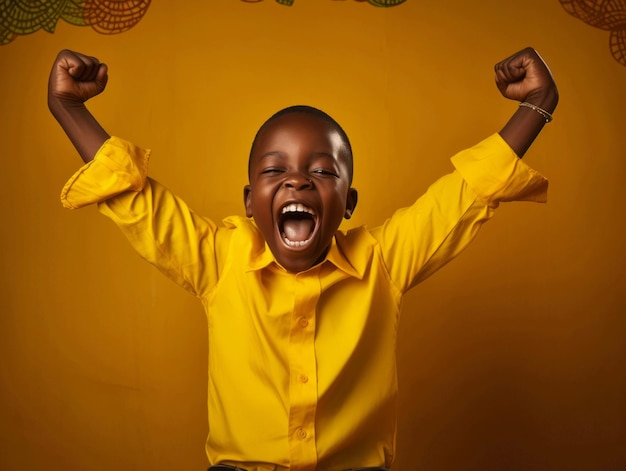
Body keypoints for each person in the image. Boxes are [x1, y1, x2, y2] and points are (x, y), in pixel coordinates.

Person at [48, 47, 558, 471]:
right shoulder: (218, 259)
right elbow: (136, 201)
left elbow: (465, 195)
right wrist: (71, 110)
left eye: (323, 171)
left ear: (349, 205)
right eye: (276, 170)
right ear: (250, 203)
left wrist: (537, 104)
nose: (298, 180)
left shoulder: (383, 260)